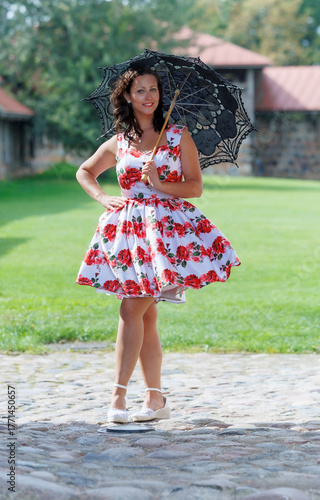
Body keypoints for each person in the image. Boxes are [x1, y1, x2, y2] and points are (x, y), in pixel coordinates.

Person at [76, 66, 240, 423]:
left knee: (131, 308)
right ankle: (156, 401)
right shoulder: (119, 141)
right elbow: (85, 172)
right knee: (145, 318)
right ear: (127, 97)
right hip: (129, 234)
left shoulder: (178, 136)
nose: (149, 96)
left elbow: (195, 187)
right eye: (140, 91)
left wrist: (160, 183)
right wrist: (103, 198)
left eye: (153, 89)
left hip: (167, 236)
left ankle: (117, 399)